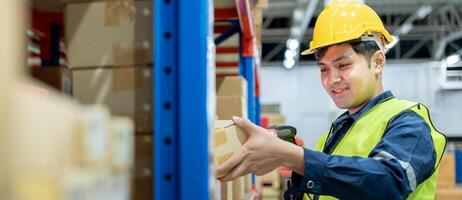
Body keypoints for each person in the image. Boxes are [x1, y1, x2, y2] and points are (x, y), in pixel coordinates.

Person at [215, 0, 447, 199]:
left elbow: (388, 182)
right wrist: (297, 169)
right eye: (324, 69)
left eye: (343, 65)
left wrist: (297, 157)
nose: (331, 79)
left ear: (377, 62)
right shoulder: (334, 134)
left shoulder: (410, 122)